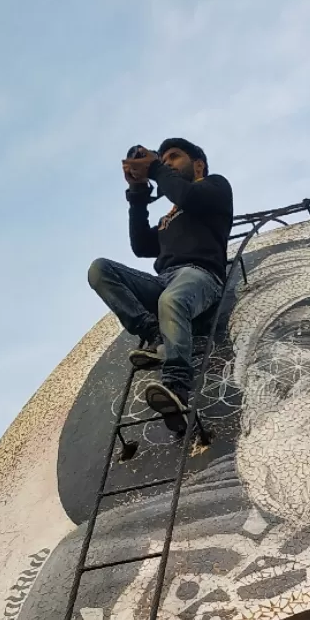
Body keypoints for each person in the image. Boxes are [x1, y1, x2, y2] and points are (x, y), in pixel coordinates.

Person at [88, 138, 233, 431]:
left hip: (201, 274)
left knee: (172, 300)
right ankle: (156, 334)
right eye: (163, 159)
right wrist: (137, 192)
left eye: (174, 157)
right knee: (100, 269)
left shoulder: (214, 188)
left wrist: (154, 168)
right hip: (165, 279)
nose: (166, 163)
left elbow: (188, 195)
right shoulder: (172, 213)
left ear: (199, 165)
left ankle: (177, 386)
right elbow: (142, 245)